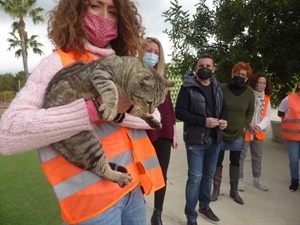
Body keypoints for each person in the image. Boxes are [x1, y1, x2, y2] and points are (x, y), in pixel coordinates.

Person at [0, 1, 165, 225]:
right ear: (76, 11)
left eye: (113, 11)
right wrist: (93, 110)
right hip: (93, 207)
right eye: (95, 6)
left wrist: (119, 112)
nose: (104, 18)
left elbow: (155, 118)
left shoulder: (125, 64)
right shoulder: (56, 63)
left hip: (132, 188)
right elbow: (7, 136)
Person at [175, 54, 228, 225]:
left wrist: (224, 120)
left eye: (208, 65)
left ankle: (204, 206)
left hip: (215, 140)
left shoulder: (217, 86)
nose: (204, 68)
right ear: (196, 69)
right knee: (195, 178)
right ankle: (191, 216)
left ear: (214, 69)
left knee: (208, 176)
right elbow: (180, 112)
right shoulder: (188, 87)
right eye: (201, 65)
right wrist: (203, 122)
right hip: (195, 141)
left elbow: (223, 107)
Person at [140, 37, 178, 225]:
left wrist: (174, 133)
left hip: (164, 133)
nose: (152, 55)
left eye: (156, 52)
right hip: (142, 131)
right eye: (148, 50)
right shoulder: (133, 75)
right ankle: (138, 208)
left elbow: (169, 108)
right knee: (140, 172)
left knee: (161, 175)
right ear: (141, 51)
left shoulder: (162, 79)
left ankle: (157, 214)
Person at [211, 62, 255, 205]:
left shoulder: (249, 92)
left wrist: (245, 125)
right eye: (237, 73)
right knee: (217, 161)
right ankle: (216, 189)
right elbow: (215, 106)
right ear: (232, 73)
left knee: (235, 162)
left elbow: (250, 111)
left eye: (243, 75)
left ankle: (233, 190)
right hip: (221, 131)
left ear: (247, 78)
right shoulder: (221, 88)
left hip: (238, 132)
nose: (239, 77)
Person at [238, 72, 272, 192]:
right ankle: (239, 180)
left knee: (257, 156)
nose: (262, 85)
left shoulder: (266, 98)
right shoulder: (248, 94)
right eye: (260, 82)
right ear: (254, 82)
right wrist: (250, 125)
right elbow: (243, 112)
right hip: (246, 130)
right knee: (241, 156)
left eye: (264, 83)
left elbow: (267, 116)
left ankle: (257, 179)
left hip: (258, 131)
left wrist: (258, 126)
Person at [278, 81, 300, 192]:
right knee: (294, 159)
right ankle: (295, 180)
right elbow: (280, 113)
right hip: (291, 137)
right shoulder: (289, 99)